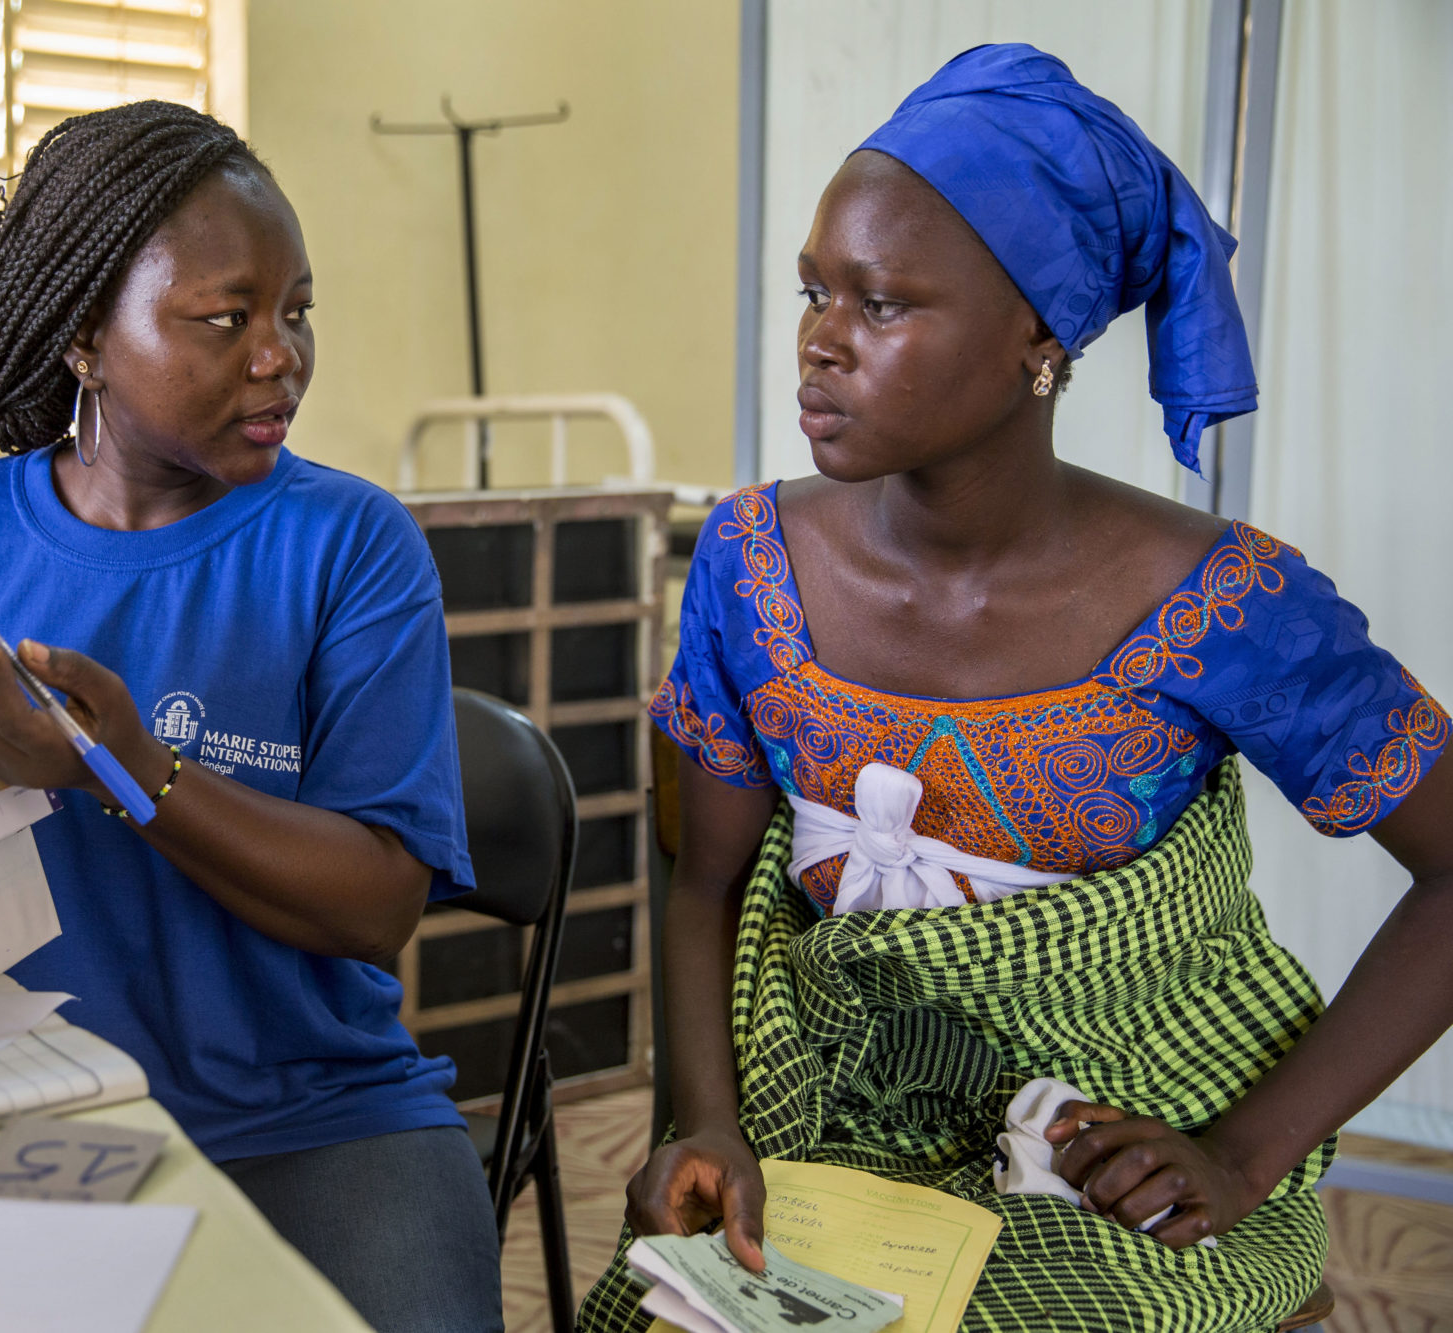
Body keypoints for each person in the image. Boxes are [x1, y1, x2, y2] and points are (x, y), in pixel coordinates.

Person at [581, 44, 1453, 1332]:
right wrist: (705, 1118)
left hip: (1104, 1136)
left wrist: (1243, 1150)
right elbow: (706, 878)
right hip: (810, 1100)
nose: (818, 341)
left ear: (1037, 336)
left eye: (879, 306)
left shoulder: (1218, 603)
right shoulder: (752, 559)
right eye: (812, 289)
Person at [0, 101, 504, 1333]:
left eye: (296, 312)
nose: (279, 356)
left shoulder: (349, 546)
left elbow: (376, 906)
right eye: (226, 319)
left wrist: (126, 765)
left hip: (313, 1118)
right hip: (32, 1115)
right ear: (84, 341)